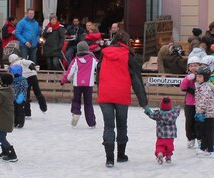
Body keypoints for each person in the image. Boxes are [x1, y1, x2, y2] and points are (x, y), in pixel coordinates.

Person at [95, 30, 148, 166]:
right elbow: (136, 80)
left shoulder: (104, 53)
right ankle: (121, 155)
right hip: (121, 94)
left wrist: (101, 88)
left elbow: (98, 73)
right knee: (121, 125)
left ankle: (109, 159)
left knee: (108, 126)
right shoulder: (128, 56)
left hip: (105, 94)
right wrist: (144, 103)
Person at [60, 40, 97, 128]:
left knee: (76, 100)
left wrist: (63, 81)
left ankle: (76, 112)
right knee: (88, 103)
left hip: (77, 84)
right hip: (88, 85)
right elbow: (100, 67)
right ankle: (91, 123)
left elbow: (69, 73)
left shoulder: (75, 60)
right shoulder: (93, 60)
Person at [0, 71, 20, 162]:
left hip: (5, 119)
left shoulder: (3, 94)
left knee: (1, 137)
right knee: (1, 135)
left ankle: (12, 154)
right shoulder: (9, 91)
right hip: (5, 118)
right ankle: (5, 151)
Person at [179, 50, 206, 149]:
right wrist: (187, 79)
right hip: (189, 103)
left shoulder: (202, 77)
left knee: (199, 122)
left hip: (200, 103)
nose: (193, 67)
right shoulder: (188, 77)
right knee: (189, 122)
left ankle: (199, 138)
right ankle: (190, 138)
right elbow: (182, 87)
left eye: (195, 65)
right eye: (191, 66)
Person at [143, 97, 181, 164]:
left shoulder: (158, 114)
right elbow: (177, 111)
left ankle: (160, 154)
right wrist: (178, 108)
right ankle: (168, 157)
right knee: (169, 147)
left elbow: (151, 114)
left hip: (161, 136)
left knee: (160, 146)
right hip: (170, 136)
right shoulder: (173, 114)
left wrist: (147, 109)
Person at [192, 65, 214, 156]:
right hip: (206, 113)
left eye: (200, 77)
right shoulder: (202, 86)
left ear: (205, 77)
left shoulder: (205, 87)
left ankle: (209, 150)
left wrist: (200, 112)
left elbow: (204, 100)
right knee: (204, 131)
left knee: (207, 132)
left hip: (207, 114)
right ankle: (205, 148)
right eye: (197, 76)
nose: (197, 78)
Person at [9, 63, 28, 129]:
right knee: (15, 110)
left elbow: (24, 88)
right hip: (15, 97)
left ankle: (20, 123)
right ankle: (15, 122)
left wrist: (21, 96)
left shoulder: (22, 80)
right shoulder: (13, 81)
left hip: (21, 98)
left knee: (19, 110)